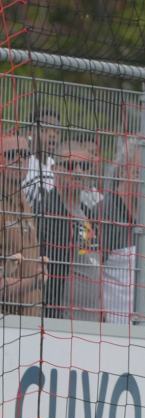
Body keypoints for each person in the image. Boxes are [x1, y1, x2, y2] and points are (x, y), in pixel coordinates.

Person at [37, 140, 103, 320]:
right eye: (71, 165)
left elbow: (89, 258)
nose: (79, 171)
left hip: (90, 322)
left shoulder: (88, 214)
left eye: (85, 165)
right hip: (61, 322)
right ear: (55, 168)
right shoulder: (47, 212)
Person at [0, 132, 48, 315]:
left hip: (31, 319)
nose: (20, 160)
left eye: (25, 155)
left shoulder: (25, 203)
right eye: (12, 154)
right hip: (7, 324)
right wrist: (33, 281)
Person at [22, 108, 60, 203]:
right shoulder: (24, 163)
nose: (52, 135)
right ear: (30, 133)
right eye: (45, 130)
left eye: (57, 131)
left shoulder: (57, 165)